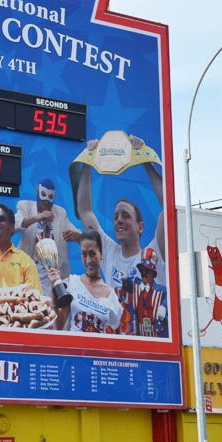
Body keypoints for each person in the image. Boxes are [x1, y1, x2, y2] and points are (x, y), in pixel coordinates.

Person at [71, 136, 166, 335]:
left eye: (125, 216)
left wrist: (145, 159)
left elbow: (168, 205)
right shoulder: (110, 253)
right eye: (115, 217)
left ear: (140, 227)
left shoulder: (154, 252)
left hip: (152, 342)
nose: (119, 220)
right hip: (119, 342)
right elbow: (85, 211)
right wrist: (89, 161)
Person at [49, 230, 121, 333]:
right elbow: (58, 326)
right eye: (84, 254)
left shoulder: (111, 295)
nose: (88, 260)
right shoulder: (72, 283)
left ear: (101, 254)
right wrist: (53, 288)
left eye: (92, 254)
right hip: (75, 348)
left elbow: (118, 335)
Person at [17, 179, 80, 293]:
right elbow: (14, 225)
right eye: (43, 201)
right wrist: (38, 217)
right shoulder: (25, 206)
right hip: (29, 274)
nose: (46, 204)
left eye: (49, 202)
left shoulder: (60, 213)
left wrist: (78, 236)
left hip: (53, 276)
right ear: (37, 193)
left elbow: (77, 233)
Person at [0, 203, 42, 297]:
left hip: (17, 310)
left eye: (1, 219)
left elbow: (36, 297)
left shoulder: (26, 261)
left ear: (12, 227)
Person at [131, 248, 168, 337]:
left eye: (147, 271)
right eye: (142, 270)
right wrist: (124, 279)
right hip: (140, 334)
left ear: (152, 274)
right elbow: (127, 286)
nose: (144, 273)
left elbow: (168, 299)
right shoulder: (136, 285)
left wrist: (163, 307)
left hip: (157, 334)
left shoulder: (161, 290)